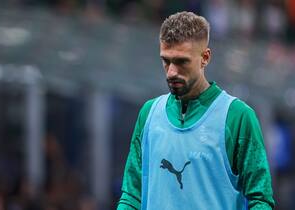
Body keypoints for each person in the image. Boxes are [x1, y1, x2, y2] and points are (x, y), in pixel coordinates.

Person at [117, 11, 274, 210]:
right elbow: (131, 196)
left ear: (205, 57)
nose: (172, 72)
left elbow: (260, 200)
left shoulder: (238, 117)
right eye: (166, 60)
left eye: (181, 61)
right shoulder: (149, 114)